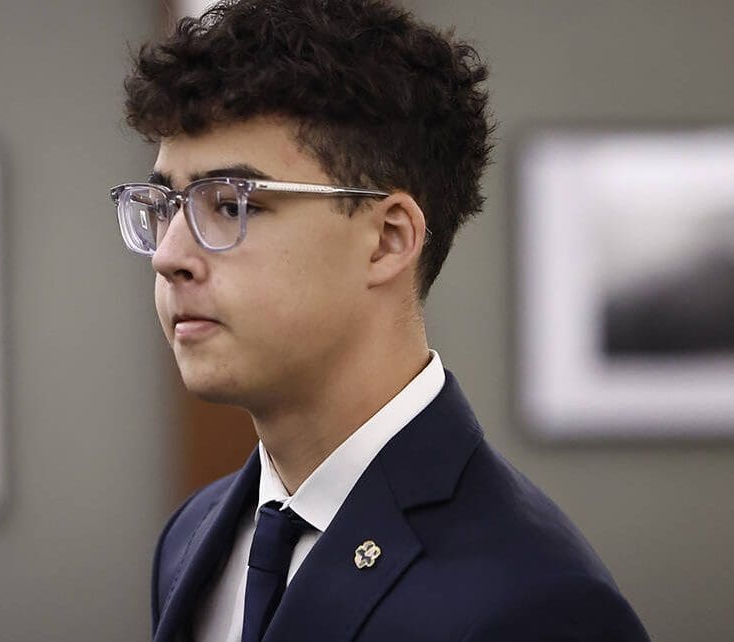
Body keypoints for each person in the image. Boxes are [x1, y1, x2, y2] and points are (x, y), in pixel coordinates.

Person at [116, 0, 650, 639]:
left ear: (388, 239)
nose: (169, 255)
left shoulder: (538, 602)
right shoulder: (190, 537)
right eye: (165, 205)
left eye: (231, 205)